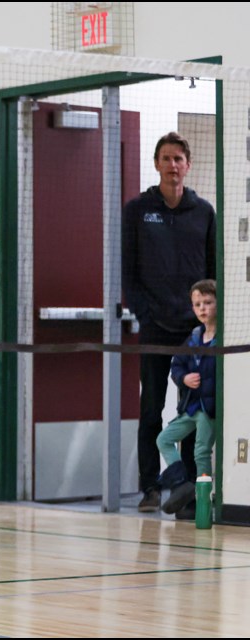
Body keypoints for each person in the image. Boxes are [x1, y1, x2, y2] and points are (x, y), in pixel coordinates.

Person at [123, 132, 216, 515]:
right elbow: (128, 271)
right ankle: (150, 487)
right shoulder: (138, 209)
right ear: (157, 163)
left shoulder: (204, 211)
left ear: (188, 164)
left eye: (179, 158)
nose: (172, 165)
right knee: (151, 408)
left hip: (193, 332)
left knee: (193, 409)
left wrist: (208, 321)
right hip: (156, 328)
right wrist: (145, 314)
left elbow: (212, 272)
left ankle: (189, 491)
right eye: (166, 158)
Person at [155, 279, 216, 515]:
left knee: (201, 452)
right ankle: (182, 485)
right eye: (197, 304)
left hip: (209, 408)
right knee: (164, 439)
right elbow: (177, 365)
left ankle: (205, 503)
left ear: (218, 304)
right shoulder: (193, 337)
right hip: (191, 407)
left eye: (208, 302)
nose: (203, 308)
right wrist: (183, 379)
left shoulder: (224, 337)